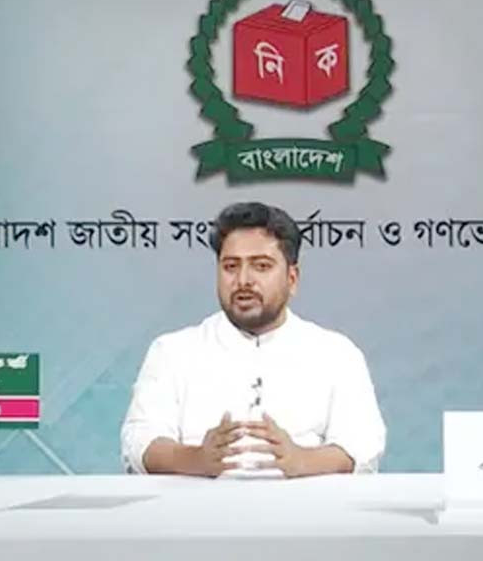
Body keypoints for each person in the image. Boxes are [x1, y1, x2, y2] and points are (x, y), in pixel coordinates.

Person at [121, 202, 386, 477]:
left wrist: (302, 461)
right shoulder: (172, 352)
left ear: (292, 279)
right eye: (230, 266)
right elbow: (139, 442)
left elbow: (363, 446)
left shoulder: (336, 354)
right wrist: (196, 459)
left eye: (261, 266)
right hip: (197, 504)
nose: (243, 280)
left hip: (305, 505)